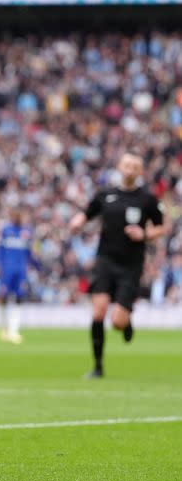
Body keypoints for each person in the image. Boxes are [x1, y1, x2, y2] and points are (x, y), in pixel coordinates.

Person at [69, 152, 167, 379]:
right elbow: (88, 212)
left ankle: (127, 321)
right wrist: (78, 221)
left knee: (117, 322)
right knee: (98, 311)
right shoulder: (106, 194)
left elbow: (161, 227)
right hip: (105, 260)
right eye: (127, 165)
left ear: (140, 171)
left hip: (130, 265)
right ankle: (98, 366)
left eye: (135, 166)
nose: (131, 169)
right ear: (120, 167)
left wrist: (144, 234)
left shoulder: (147, 199)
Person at [0, 209, 39, 344]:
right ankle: (3, 327)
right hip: (7, 270)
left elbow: (31, 253)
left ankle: (14, 330)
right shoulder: (6, 231)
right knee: (4, 296)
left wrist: (36, 264)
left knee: (19, 297)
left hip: (21, 271)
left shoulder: (27, 232)